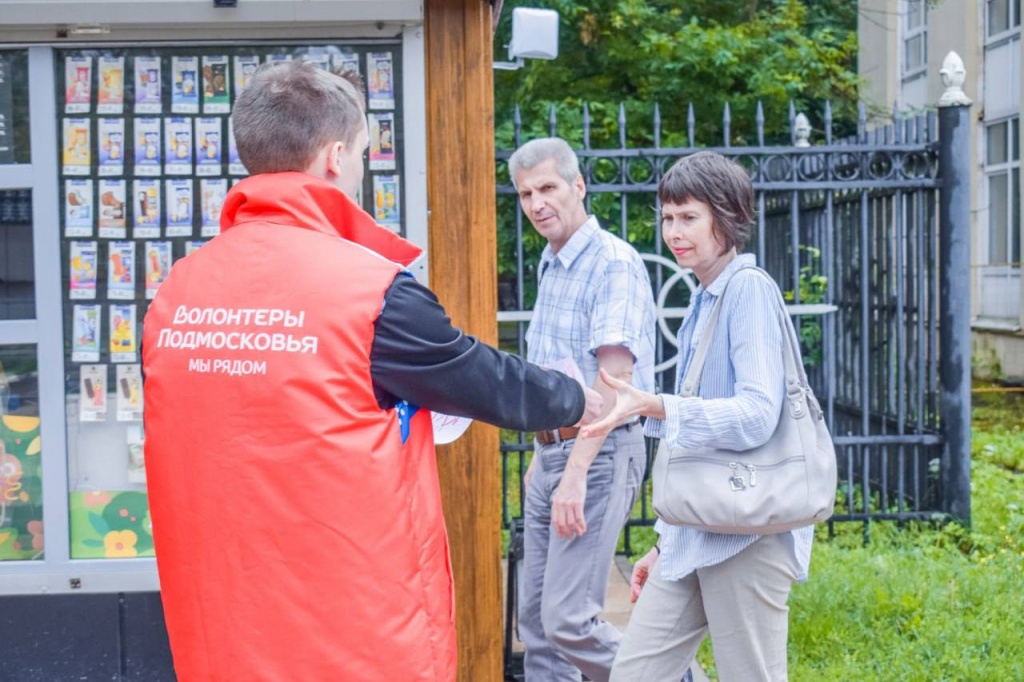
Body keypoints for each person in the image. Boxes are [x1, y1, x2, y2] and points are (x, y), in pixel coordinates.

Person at [141, 61, 601, 682]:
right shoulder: (368, 290)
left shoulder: (178, 292)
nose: (360, 169)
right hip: (350, 631)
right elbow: (480, 378)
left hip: (223, 629)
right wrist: (578, 399)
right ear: (335, 156)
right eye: (361, 153)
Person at [580, 151, 815, 682]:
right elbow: (699, 443)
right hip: (698, 530)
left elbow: (757, 414)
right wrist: (667, 538)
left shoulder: (747, 290)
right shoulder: (705, 298)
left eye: (689, 217)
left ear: (726, 216)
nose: (673, 231)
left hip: (749, 533)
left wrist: (654, 404)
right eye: (667, 217)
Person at [509, 137, 657, 682]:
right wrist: (540, 455)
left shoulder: (612, 262)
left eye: (547, 188)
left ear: (578, 186)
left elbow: (613, 383)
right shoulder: (552, 264)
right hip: (554, 454)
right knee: (538, 626)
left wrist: (572, 474)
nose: (536, 203)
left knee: (570, 619)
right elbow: (553, 375)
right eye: (525, 194)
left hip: (596, 454)